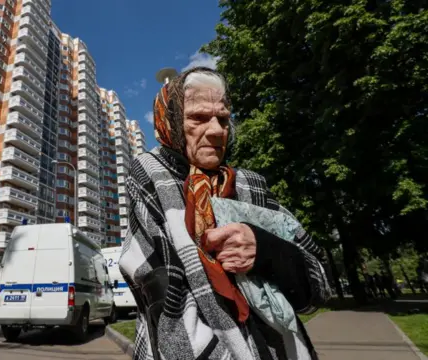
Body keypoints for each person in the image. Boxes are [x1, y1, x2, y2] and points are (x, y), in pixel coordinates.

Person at [119, 67, 331, 360]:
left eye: (223, 118)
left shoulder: (250, 184)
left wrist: (266, 250)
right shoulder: (152, 177)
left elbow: (319, 285)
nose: (217, 129)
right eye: (198, 118)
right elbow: (173, 317)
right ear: (170, 125)